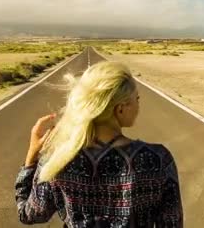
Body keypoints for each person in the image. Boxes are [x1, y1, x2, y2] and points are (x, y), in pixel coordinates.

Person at [15, 61, 184, 227]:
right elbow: (172, 223)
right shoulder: (158, 159)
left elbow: (28, 214)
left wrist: (31, 157)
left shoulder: (57, 159)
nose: (138, 104)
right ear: (120, 109)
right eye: (136, 98)